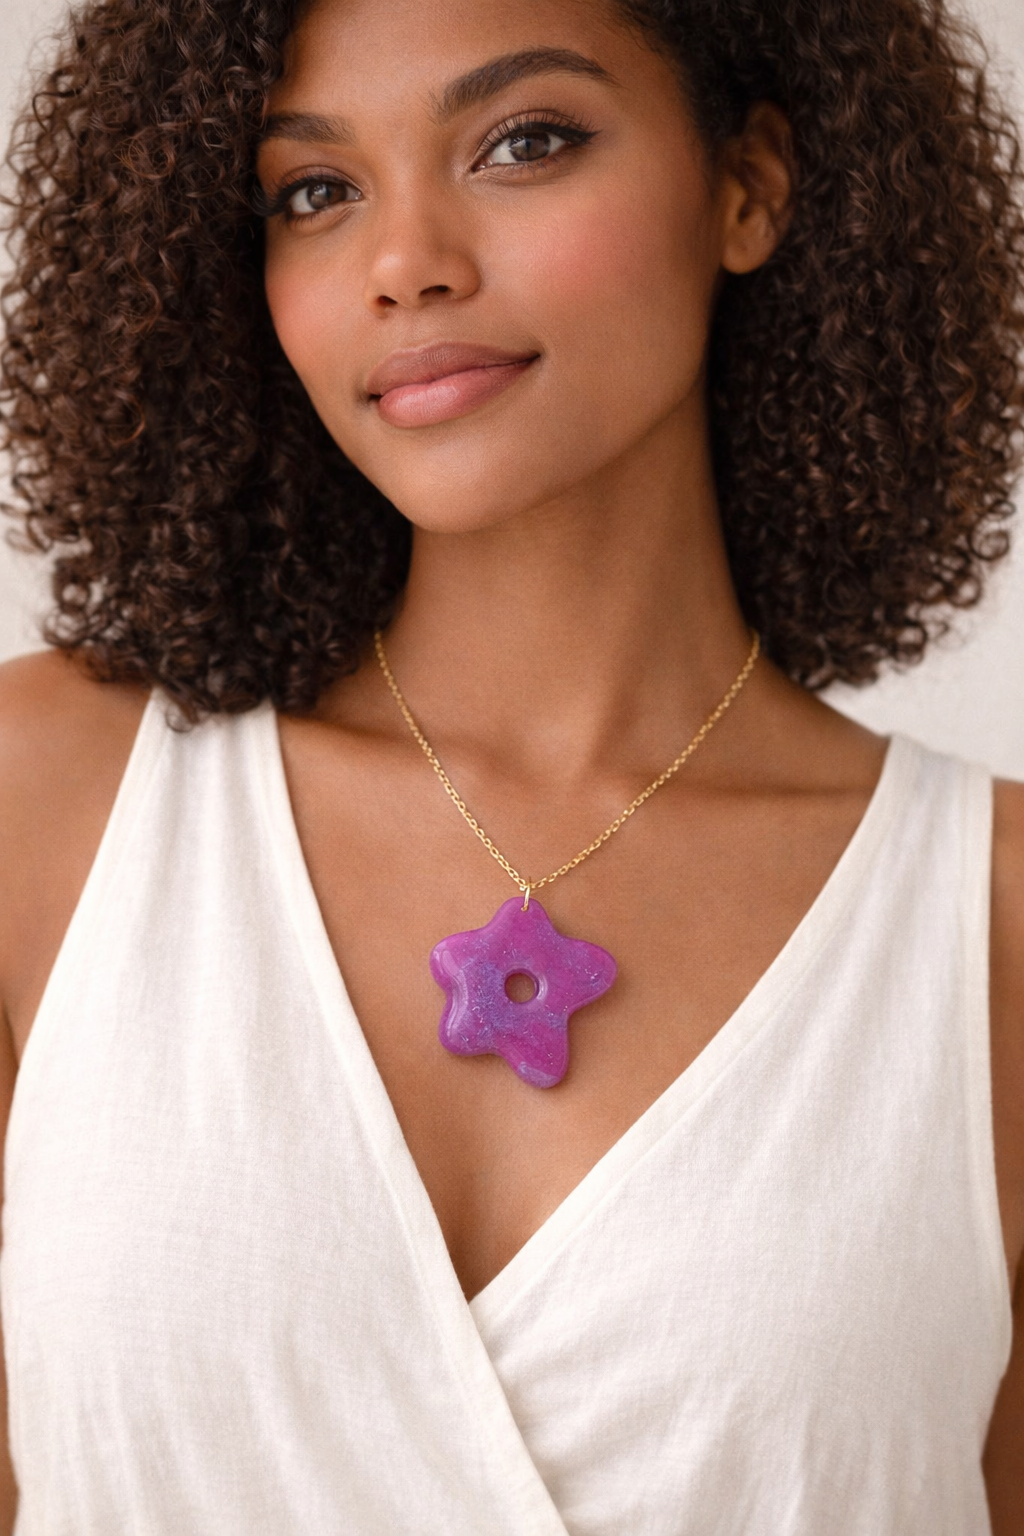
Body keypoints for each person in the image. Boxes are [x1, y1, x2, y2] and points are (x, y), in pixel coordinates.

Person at [0, 0, 1021, 1529]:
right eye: (315, 190)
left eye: (524, 142)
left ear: (748, 188)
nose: (404, 261)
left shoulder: (993, 927)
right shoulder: (45, 809)